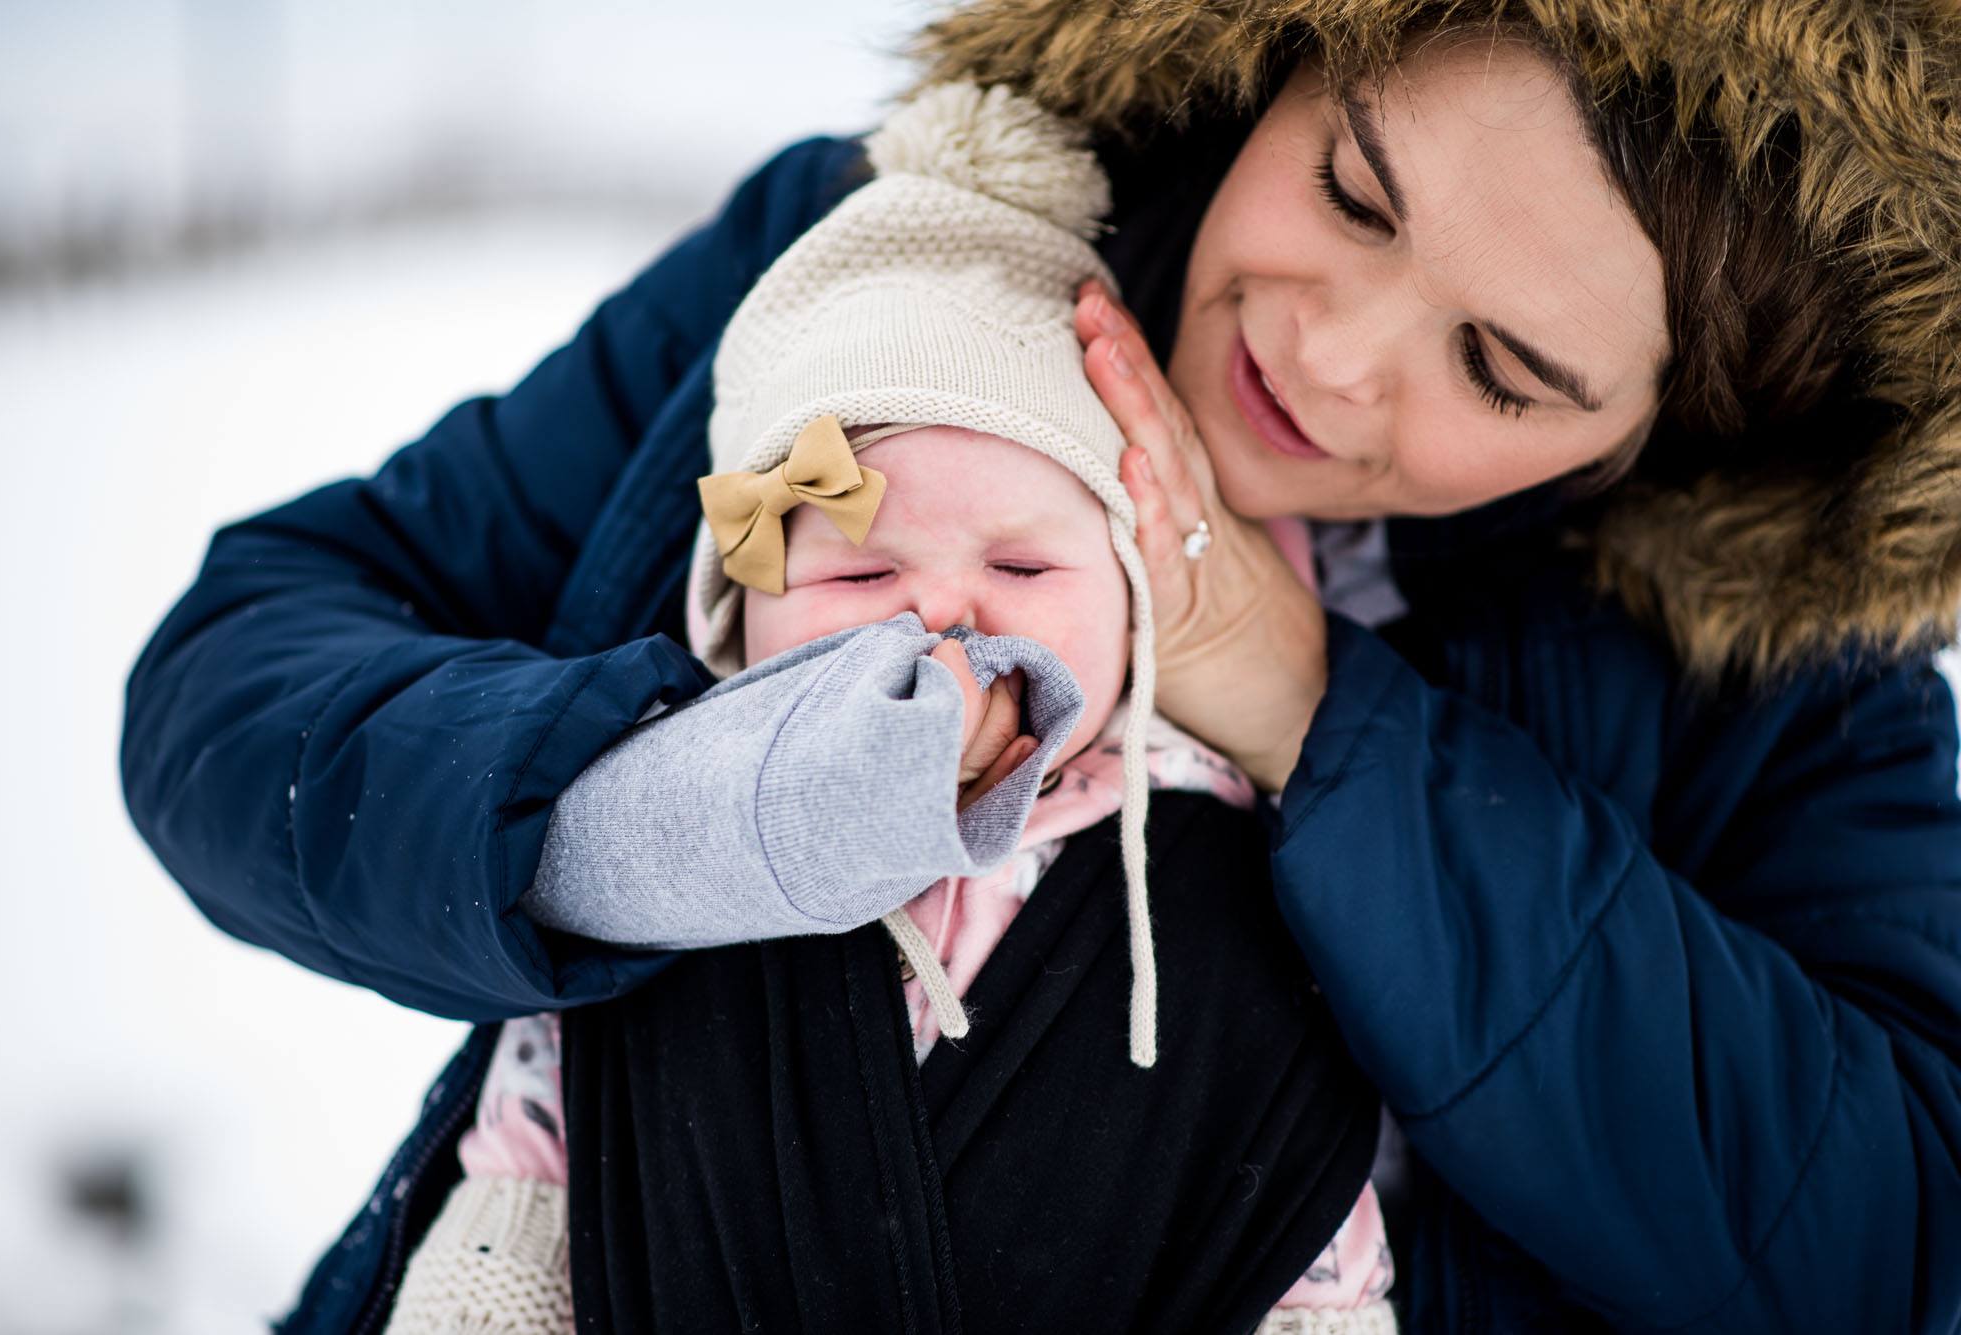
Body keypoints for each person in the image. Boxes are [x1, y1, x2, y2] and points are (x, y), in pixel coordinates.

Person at [119, 1, 1961, 1331]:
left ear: (1681, 437)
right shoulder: (874, 264)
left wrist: (1320, 720)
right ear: (1287, 52)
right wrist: (626, 822)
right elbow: (242, 676)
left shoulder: (1779, 685)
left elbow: (1904, 1238)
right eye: (1350, 189)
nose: (1325, 359)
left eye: (1500, 370)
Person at [381, 87, 1393, 1332]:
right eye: (861, 575)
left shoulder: (1229, 870)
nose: (943, 619)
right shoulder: (657, 843)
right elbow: (537, 1146)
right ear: (733, 620)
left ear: (1137, 611)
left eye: (1022, 571)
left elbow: (1295, 1208)